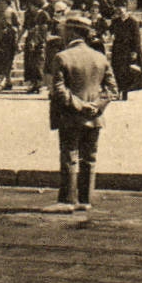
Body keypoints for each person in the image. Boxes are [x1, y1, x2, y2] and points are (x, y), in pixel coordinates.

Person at [43, 14, 119, 214]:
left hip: (70, 116)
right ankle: (85, 199)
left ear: (74, 32)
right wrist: (96, 106)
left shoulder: (62, 57)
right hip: (94, 117)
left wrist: (79, 106)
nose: (63, 34)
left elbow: (58, 90)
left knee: (69, 156)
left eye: (66, 30)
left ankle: (67, 200)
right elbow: (112, 90)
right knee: (89, 158)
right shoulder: (100, 57)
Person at [108, 5, 142, 101]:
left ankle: (125, 92)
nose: (122, 14)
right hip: (118, 50)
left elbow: (137, 38)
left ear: (127, 12)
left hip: (128, 50)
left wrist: (135, 51)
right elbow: (110, 31)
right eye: (120, 12)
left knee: (126, 72)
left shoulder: (133, 22)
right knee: (117, 71)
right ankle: (117, 92)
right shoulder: (116, 21)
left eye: (123, 12)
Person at [22, 0, 51, 94]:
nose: (30, 7)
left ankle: (39, 84)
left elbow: (46, 29)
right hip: (30, 39)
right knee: (30, 62)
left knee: (38, 62)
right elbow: (25, 27)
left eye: (32, 5)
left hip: (40, 41)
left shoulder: (44, 15)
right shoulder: (28, 14)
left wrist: (39, 38)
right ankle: (33, 83)